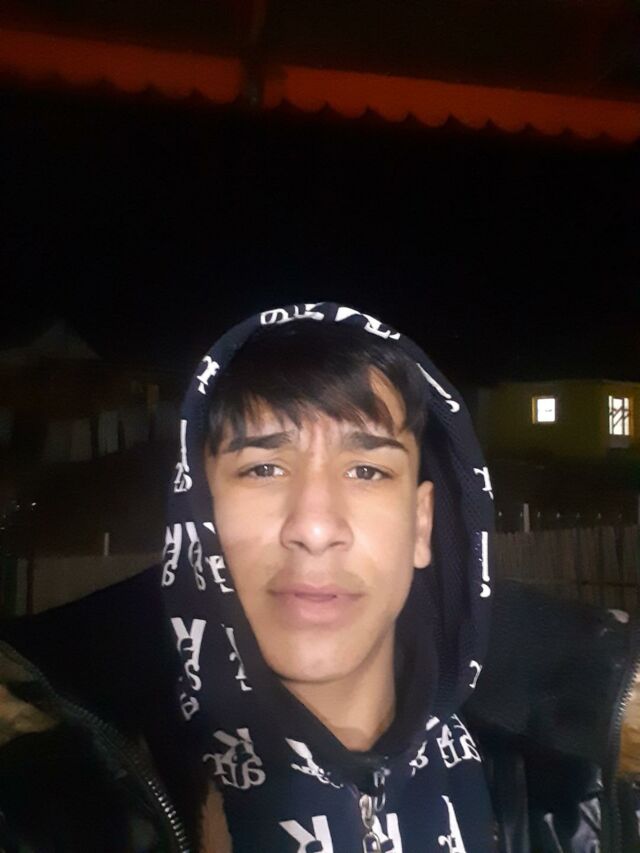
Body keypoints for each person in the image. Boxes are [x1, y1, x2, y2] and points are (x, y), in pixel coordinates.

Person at [1, 301, 639, 852]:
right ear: (199, 515)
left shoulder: (581, 776)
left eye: (367, 471)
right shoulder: (57, 781)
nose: (313, 525)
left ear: (421, 526)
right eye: (263, 468)